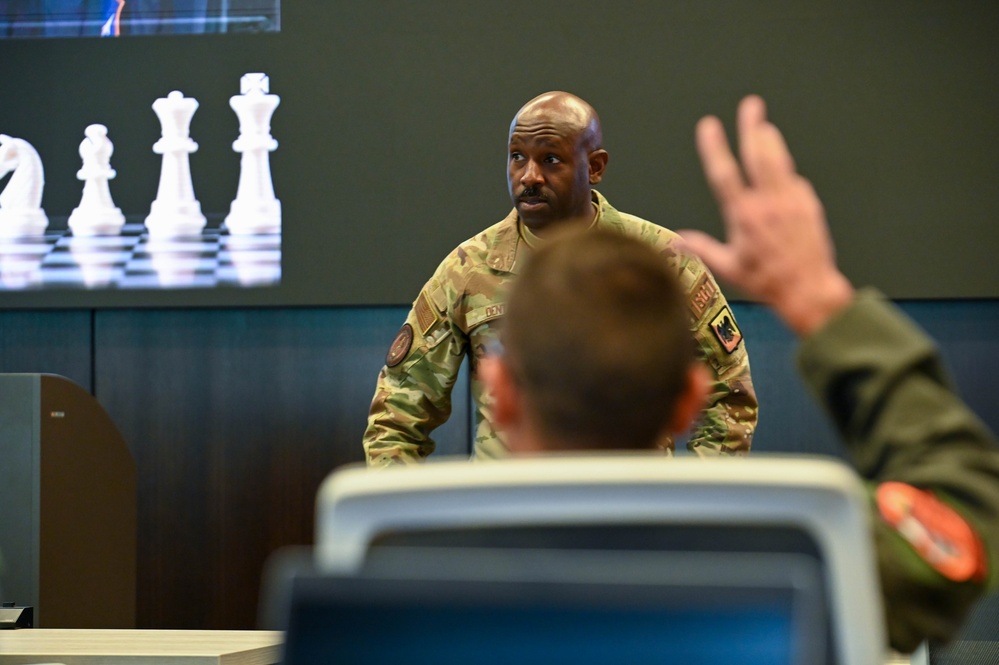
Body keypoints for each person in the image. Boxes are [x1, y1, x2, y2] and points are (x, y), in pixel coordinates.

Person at [480, 95, 999, 654]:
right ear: (688, 402)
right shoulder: (796, 573)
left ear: (500, 393)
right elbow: (962, 515)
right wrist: (821, 301)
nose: (529, 175)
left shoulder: (398, 565)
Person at [363, 91, 758, 465]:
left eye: (551, 159)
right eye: (517, 157)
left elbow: (729, 393)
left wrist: (686, 509)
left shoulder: (659, 260)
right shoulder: (469, 268)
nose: (529, 176)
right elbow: (398, 413)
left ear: (596, 167)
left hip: (632, 510)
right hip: (511, 515)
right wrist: (404, 524)